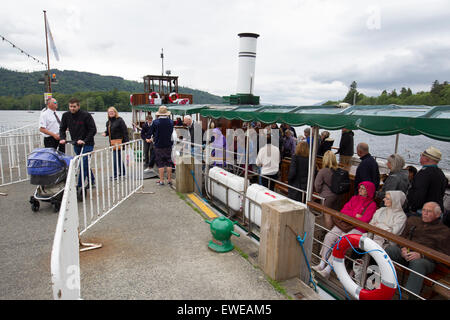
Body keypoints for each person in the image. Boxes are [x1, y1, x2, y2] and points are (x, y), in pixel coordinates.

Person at [312, 181, 377, 279]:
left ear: (369, 191)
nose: (360, 190)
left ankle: (328, 269)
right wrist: (356, 215)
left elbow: (365, 220)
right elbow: (344, 211)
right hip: (345, 224)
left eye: (363, 188)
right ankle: (321, 263)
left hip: (358, 228)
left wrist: (352, 214)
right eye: (360, 187)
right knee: (329, 236)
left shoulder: (372, 205)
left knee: (341, 241)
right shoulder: (354, 198)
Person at [385, 201, 450, 299]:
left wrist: (422, 255)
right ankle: (385, 283)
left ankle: (410, 296)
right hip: (406, 254)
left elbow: (444, 254)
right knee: (390, 249)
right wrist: (403, 248)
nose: (425, 213)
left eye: (429, 211)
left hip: (427, 260)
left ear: (437, 214)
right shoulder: (413, 220)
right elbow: (402, 238)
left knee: (418, 263)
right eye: (424, 210)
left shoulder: (444, 231)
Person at [59, 98, 97, 188]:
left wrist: (85, 140)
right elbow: (62, 128)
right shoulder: (66, 115)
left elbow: (93, 130)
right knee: (85, 163)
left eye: (74, 107)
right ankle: (92, 180)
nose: (72, 108)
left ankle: (79, 185)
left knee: (82, 163)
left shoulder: (86, 115)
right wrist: (63, 138)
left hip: (87, 144)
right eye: (70, 106)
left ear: (78, 106)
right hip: (76, 143)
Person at [406, 147, 448, 215]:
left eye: (421, 155)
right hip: (436, 211)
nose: (420, 157)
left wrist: (413, 208)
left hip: (422, 212)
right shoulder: (441, 173)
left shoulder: (423, 174)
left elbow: (419, 195)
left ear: (426, 159)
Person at [314, 150, 341, 229]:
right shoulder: (339, 170)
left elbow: (317, 185)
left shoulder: (323, 171)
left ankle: (327, 232)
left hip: (327, 197)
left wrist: (319, 192)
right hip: (338, 195)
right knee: (334, 215)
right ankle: (333, 233)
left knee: (327, 216)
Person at [149, 106, 174, 186]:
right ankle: (169, 180)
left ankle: (161, 180)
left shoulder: (155, 122)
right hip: (168, 144)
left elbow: (151, 132)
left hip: (159, 144)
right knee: (169, 162)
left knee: (160, 163)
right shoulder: (171, 122)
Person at [102, 107, 129, 180]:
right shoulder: (108, 122)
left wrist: (126, 142)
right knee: (119, 158)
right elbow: (108, 131)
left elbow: (125, 131)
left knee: (115, 158)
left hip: (119, 142)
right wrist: (105, 133)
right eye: (109, 112)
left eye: (112, 111)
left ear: (115, 112)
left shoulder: (120, 120)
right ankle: (122, 173)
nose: (111, 113)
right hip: (112, 142)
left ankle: (115, 174)